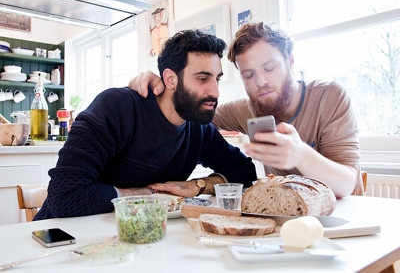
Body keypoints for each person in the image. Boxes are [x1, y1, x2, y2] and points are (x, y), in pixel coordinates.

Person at [34, 29, 257, 220]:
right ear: (170, 79)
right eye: (202, 78)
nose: (215, 91)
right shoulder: (116, 108)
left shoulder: (198, 128)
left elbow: (245, 170)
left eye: (217, 78)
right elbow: (64, 197)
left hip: (137, 238)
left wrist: (197, 186)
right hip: (61, 236)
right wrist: (140, 195)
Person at [128, 22, 363, 198]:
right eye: (248, 75)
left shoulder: (329, 96)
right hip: (289, 215)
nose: (260, 81)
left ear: (290, 61)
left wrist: (301, 154)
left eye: (269, 68)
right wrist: (163, 88)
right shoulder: (245, 110)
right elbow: (187, 112)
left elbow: (347, 184)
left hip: (343, 217)